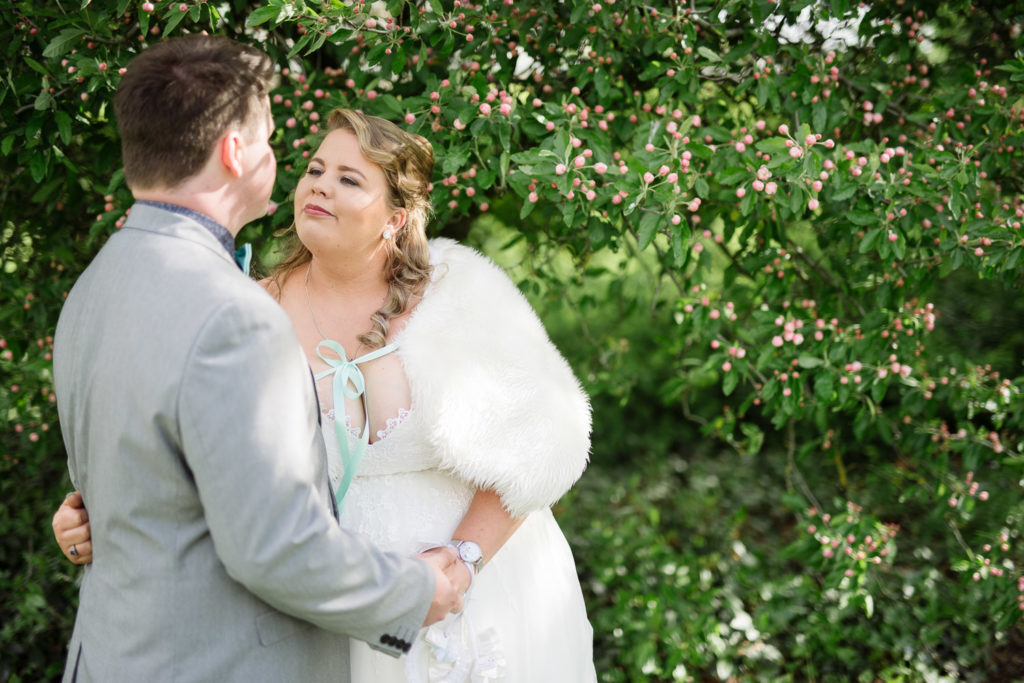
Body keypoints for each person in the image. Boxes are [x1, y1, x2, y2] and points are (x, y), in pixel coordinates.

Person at [55, 106, 597, 681]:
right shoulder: (245, 310)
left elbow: (540, 444)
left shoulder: (457, 291)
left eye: (349, 178)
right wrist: (98, 516)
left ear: (395, 217)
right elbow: (196, 461)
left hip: (482, 599)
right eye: (315, 169)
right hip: (335, 613)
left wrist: (464, 560)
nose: (319, 185)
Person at [51, 36, 462, 683]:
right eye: (269, 140)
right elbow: (275, 547)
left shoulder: (93, 286)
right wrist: (414, 594)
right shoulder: (234, 317)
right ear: (235, 153)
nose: (280, 159)